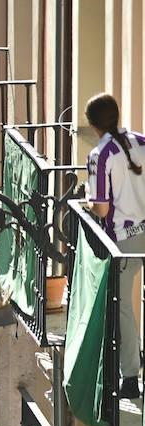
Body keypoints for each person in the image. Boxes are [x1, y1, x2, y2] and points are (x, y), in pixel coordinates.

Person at [85, 93, 145, 398]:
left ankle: (131, 377)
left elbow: (103, 209)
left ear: (93, 126)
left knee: (122, 308)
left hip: (124, 239)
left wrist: (87, 202)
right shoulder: (141, 141)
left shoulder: (100, 155)